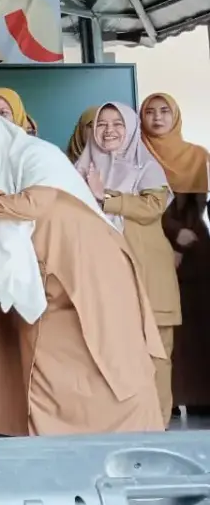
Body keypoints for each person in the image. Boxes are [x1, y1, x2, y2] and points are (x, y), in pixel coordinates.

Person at [0, 111, 167, 435]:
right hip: (44, 280)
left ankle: (131, 438)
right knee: (45, 358)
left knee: (108, 353)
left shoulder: (34, 155)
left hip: (89, 266)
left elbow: (34, 204)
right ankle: (55, 445)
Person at [79, 102, 180, 422]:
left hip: (148, 272)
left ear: (131, 128)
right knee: (114, 351)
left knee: (156, 352)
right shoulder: (79, 169)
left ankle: (157, 424)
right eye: (101, 124)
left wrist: (104, 197)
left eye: (117, 123)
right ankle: (124, 424)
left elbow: (152, 208)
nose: (109, 130)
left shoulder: (145, 167)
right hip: (102, 274)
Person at [140, 92, 210, 409]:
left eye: (164, 111)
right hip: (150, 244)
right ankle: (165, 401)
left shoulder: (197, 155)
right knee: (161, 329)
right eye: (150, 112)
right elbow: (143, 204)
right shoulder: (137, 156)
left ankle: (200, 398)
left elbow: (199, 203)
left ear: (175, 116)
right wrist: (169, 235)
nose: (157, 117)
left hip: (195, 247)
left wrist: (185, 235)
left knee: (197, 324)